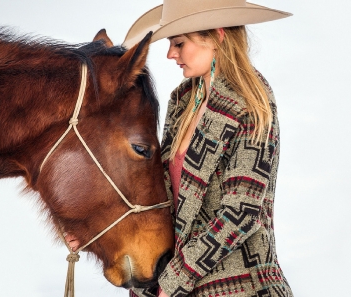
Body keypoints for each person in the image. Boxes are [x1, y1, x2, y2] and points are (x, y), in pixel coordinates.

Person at [123, 1, 293, 297]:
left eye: (179, 43)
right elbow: (166, 195)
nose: (170, 54)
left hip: (242, 286)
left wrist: (174, 281)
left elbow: (240, 214)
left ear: (216, 36)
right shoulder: (183, 101)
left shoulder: (251, 105)